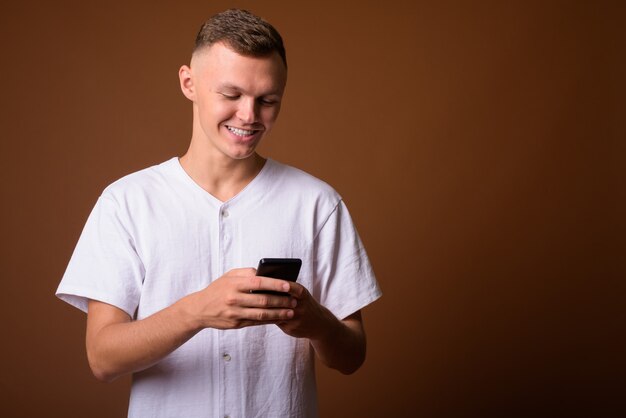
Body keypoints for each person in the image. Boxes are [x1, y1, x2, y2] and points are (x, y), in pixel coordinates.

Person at [56, 8, 381, 418]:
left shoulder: (318, 203)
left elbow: (352, 355)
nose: (249, 115)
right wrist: (197, 310)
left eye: (267, 100)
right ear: (188, 83)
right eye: (231, 95)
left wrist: (315, 321)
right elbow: (102, 358)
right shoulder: (126, 202)